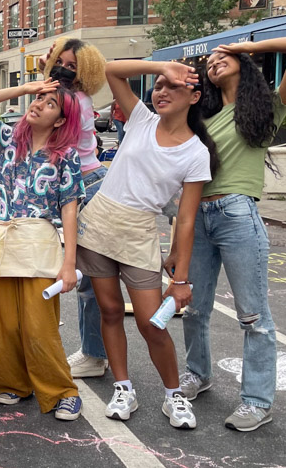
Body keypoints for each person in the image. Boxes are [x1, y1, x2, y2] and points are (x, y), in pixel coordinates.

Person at [180, 35, 286, 431]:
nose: (215, 61)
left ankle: (256, 401)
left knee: (253, 316)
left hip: (237, 213)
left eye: (224, 57)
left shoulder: (265, 109)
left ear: (243, 62)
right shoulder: (200, 117)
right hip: (197, 216)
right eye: (211, 61)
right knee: (194, 307)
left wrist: (241, 46)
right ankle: (198, 374)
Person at [78, 59, 218, 430]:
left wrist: (182, 277)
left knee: (152, 323)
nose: (162, 92)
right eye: (159, 85)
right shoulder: (140, 118)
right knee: (108, 310)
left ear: (195, 95)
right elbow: (112, 70)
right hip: (99, 224)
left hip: (139, 232)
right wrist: (164, 66)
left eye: (173, 86)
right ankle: (124, 388)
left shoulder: (196, 152)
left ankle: (174, 395)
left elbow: (186, 218)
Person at [0, 78, 85, 420]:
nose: (39, 104)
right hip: (1, 238)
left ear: (61, 120)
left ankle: (62, 391)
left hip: (38, 241)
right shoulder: (9, 141)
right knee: (0, 322)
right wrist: (24, 89)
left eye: (50, 104)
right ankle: (13, 383)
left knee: (39, 325)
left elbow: (69, 209)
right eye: (40, 99)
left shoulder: (65, 155)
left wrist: (69, 265)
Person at [37, 38, 112, 382]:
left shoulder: (74, 101)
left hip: (86, 186)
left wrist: (42, 81)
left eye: (72, 66)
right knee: (92, 279)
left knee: (90, 279)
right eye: (60, 62)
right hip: (84, 184)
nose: (64, 69)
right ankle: (96, 351)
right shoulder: (76, 97)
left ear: (86, 72)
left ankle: (95, 355)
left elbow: (49, 131)